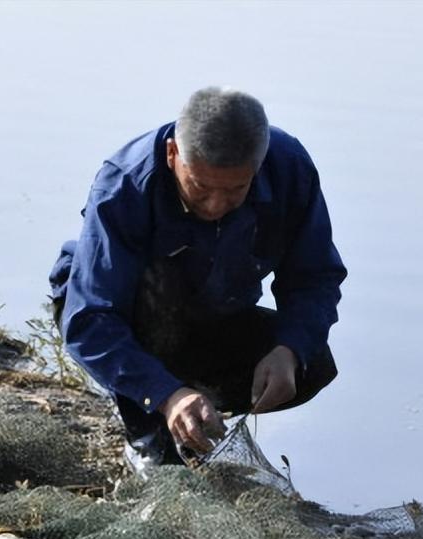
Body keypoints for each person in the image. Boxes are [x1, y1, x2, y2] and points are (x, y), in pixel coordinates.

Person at [49, 87, 346, 470]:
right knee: (159, 302)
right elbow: (90, 319)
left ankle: (195, 413)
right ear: (173, 155)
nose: (216, 205)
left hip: (212, 312)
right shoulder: (124, 184)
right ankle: (149, 427)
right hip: (123, 313)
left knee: (313, 362)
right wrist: (165, 394)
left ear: (257, 167)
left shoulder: (290, 169)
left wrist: (289, 350)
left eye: (237, 189)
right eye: (201, 187)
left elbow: (315, 277)